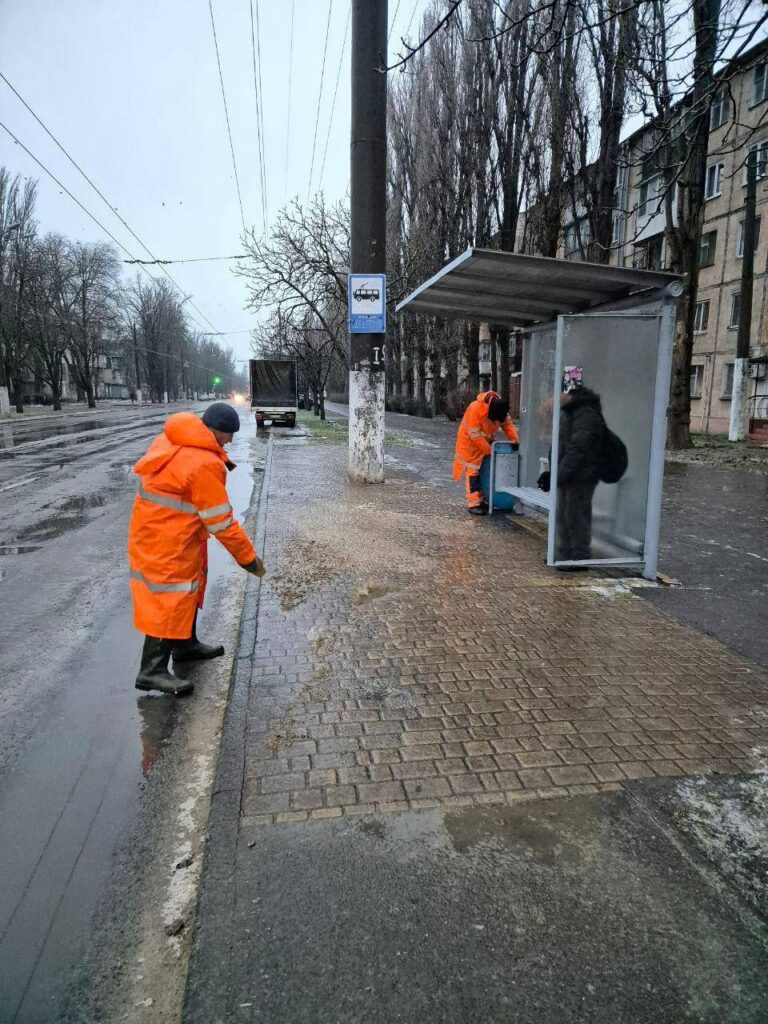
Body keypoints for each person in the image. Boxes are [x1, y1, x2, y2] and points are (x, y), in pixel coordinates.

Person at [128, 402, 265, 696]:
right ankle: (151, 671)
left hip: (164, 529)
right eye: (228, 435)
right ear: (214, 430)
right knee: (170, 596)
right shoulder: (202, 462)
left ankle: (184, 645)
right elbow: (221, 522)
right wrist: (248, 559)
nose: (230, 441)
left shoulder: (175, 439)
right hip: (168, 539)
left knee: (187, 588)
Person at [538, 370, 604, 568]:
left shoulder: (585, 413)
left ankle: (579, 556)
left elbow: (577, 450)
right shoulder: (572, 411)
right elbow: (563, 445)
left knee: (576, 514)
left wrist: (556, 475)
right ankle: (565, 554)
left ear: (569, 391)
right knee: (564, 513)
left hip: (581, 475)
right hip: (570, 474)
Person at [452, 390, 518, 515]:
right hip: (469, 445)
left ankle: (482, 499)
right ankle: (474, 504)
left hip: (485, 442)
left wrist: (514, 441)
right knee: (473, 473)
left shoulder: (499, 409)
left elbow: (507, 425)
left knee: (482, 471)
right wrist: (489, 450)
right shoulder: (475, 409)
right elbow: (475, 436)